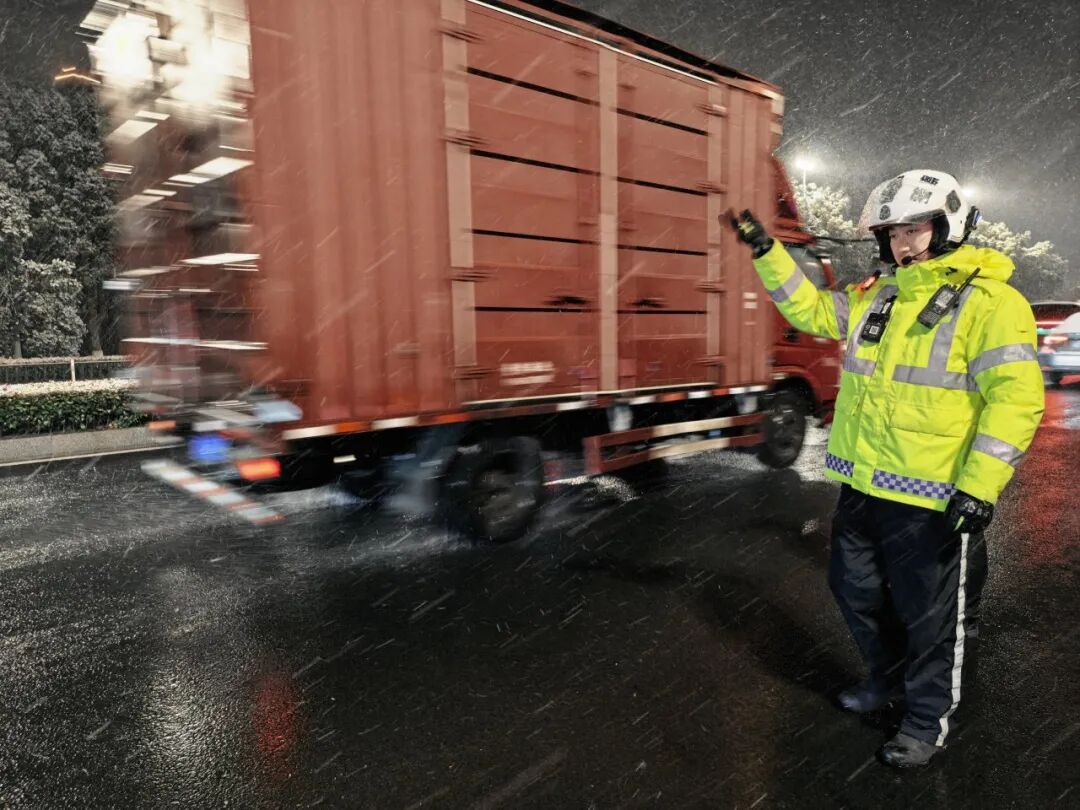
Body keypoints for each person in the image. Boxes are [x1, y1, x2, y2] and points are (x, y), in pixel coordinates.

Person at [727, 169, 1045, 768]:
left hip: (932, 499)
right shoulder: (880, 295)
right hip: (863, 486)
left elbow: (1015, 401)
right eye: (893, 232)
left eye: (916, 227)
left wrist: (979, 489)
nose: (903, 242)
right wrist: (767, 252)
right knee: (856, 593)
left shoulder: (991, 304)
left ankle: (925, 722)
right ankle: (886, 680)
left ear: (946, 225)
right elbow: (812, 310)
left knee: (930, 621)